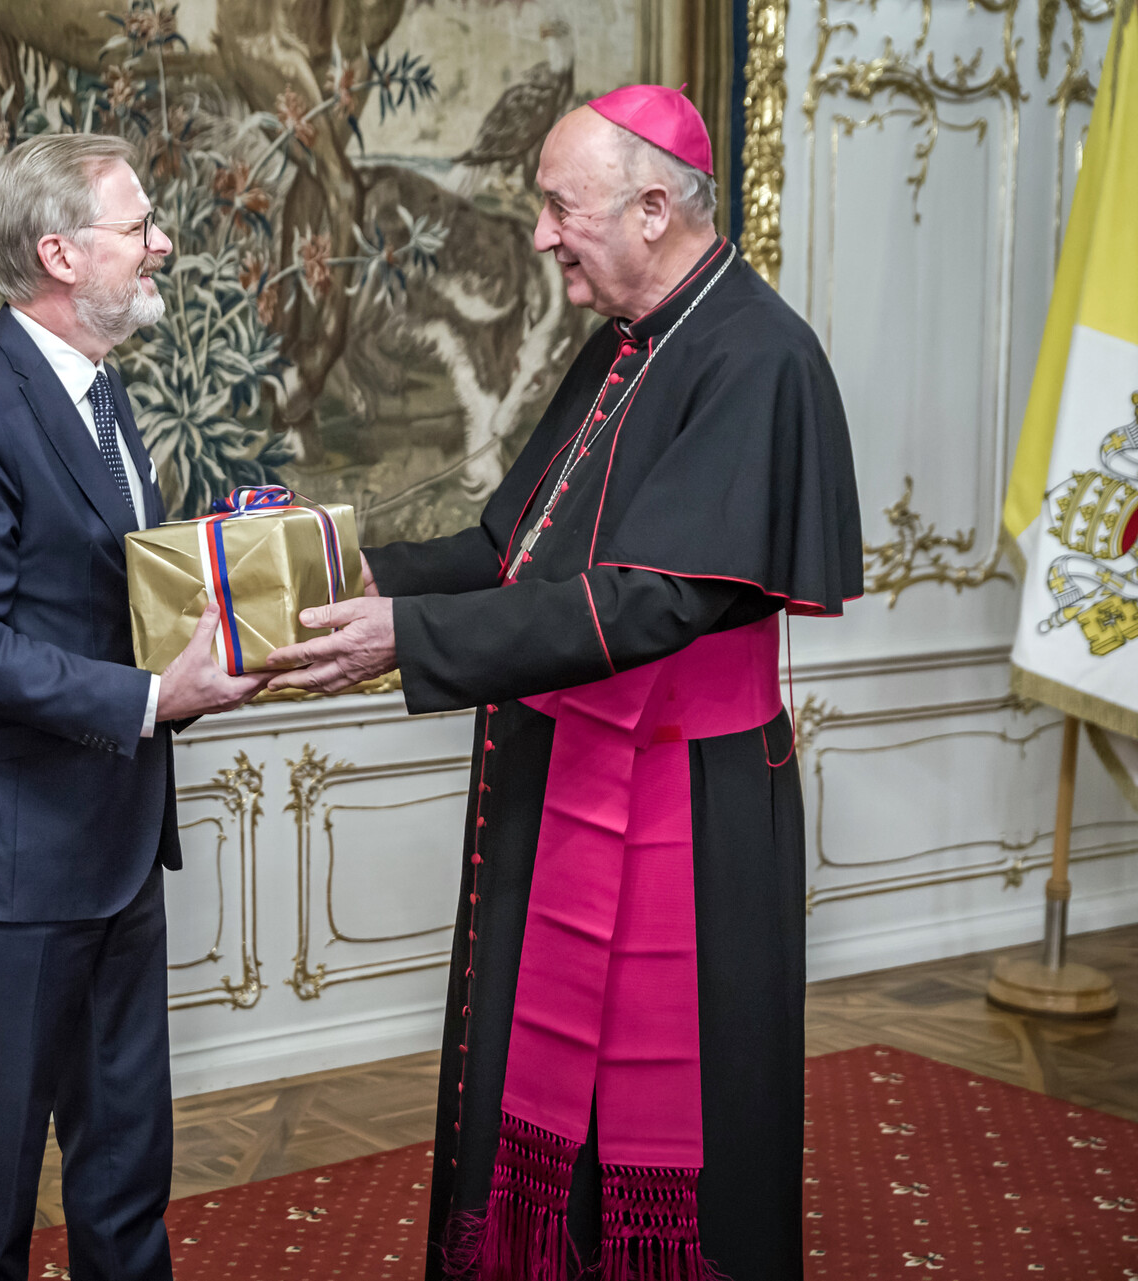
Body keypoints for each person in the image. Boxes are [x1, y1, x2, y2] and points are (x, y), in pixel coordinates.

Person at [266, 88, 862, 1280]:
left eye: (559, 207)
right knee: (527, 1083)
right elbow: (514, 546)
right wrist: (353, 574)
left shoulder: (761, 356)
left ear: (653, 208)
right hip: (567, 768)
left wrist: (408, 639)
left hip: (687, 807)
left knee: (674, 1114)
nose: (539, 235)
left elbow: (655, 601)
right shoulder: (628, 340)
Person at [0, 133, 267, 1281]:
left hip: (116, 851)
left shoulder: (103, 394)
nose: (163, 244)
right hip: (8, 870)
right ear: (60, 254)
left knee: (126, 1177)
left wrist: (234, 567)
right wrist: (155, 696)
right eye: (139, 224)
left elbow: (95, 593)